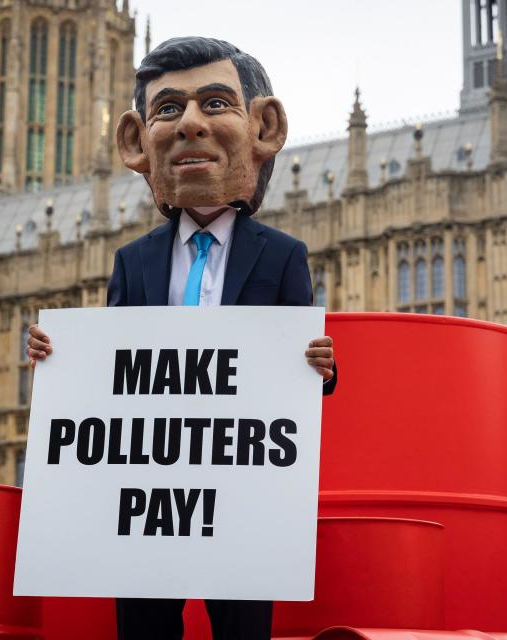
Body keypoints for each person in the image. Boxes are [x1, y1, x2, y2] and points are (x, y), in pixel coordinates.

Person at [27, 36, 335, 640]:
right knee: (145, 623)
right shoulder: (132, 261)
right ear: (137, 142)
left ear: (262, 126)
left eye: (216, 104)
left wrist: (320, 368)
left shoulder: (282, 255)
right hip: (146, 502)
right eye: (168, 110)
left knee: (241, 627)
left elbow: (297, 390)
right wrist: (58, 360)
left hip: (240, 501)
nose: (191, 124)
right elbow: (111, 375)